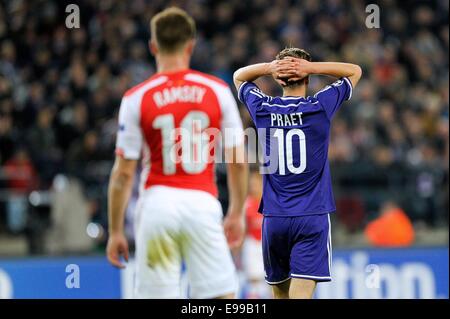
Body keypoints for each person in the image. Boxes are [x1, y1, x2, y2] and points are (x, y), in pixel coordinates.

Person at [106, 7, 248, 299]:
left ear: (153, 46)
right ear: (191, 46)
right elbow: (237, 160)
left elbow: (122, 173)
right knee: (221, 299)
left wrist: (116, 230)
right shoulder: (217, 90)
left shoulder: (136, 97)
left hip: (158, 207)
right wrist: (236, 212)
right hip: (202, 203)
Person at [233, 48, 362, 299]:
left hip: (274, 218)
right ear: (308, 78)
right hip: (311, 217)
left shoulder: (262, 107)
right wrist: (311, 67)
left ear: (279, 80)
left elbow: (239, 77)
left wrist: (270, 68)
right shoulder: (320, 106)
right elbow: (355, 71)